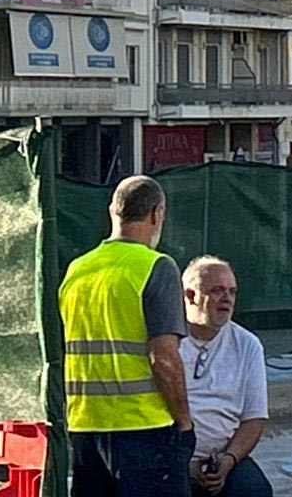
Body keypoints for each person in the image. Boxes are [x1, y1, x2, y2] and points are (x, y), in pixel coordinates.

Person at [59, 174, 195, 497]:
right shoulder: (157, 267)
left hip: (85, 428)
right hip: (144, 429)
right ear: (156, 214)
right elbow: (164, 359)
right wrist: (184, 422)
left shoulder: (77, 270)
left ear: (112, 212)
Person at [180, 257, 271, 497]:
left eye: (232, 291)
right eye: (217, 290)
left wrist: (228, 460)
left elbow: (254, 418)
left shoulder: (248, 344)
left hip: (224, 455)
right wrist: (184, 464)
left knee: (254, 490)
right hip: (171, 457)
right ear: (190, 295)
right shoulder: (166, 341)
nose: (227, 298)